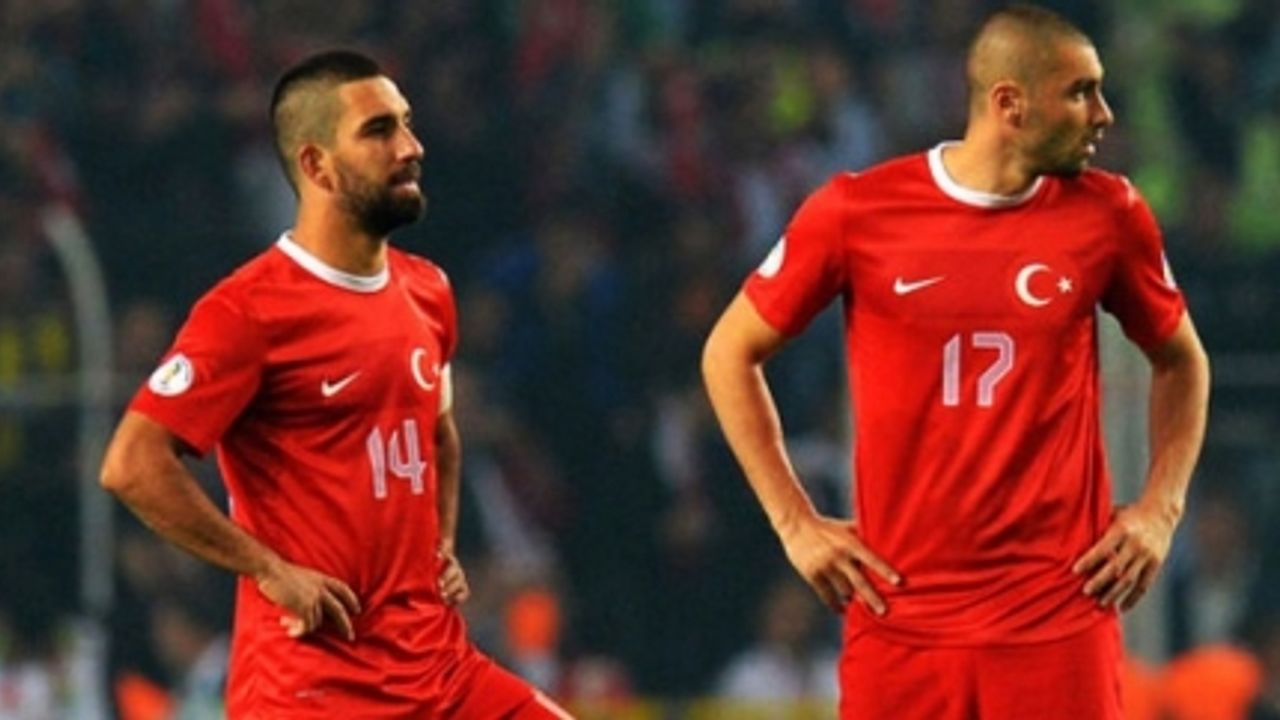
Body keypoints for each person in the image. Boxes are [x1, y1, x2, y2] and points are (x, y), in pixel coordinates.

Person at [701, 5, 1211, 719]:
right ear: (1010, 103)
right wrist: (795, 524)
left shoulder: (1111, 215)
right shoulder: (856, 212)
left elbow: (1182, 362)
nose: (1104, 114)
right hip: (901, 620)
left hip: (1057, 618)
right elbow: (729, 353)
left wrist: (1161, 508)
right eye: (1080, 92)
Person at [100, 49, 573, 718]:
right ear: (317, 165)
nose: (410, 147)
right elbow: (131, 463)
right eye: (379, 131)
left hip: (440, 671)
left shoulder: (428, 290)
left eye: (406, 124)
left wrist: (441, 543)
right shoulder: (248, 310)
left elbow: (438, 432)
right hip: (313, 690)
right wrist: (268, 569)